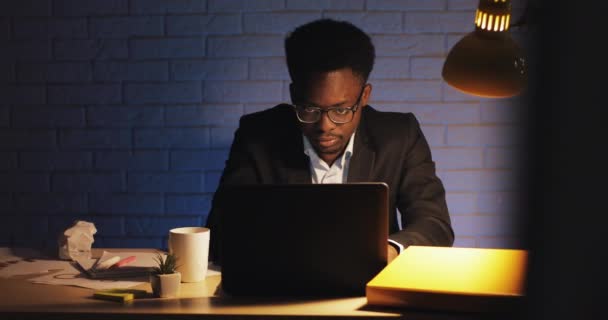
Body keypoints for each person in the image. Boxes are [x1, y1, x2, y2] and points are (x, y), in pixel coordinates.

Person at [205, 18, 454, 264]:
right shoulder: (257, 135)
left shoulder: (400, 135)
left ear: (364, 96)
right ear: (293, 95)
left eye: (341, 110)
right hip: (282, 290)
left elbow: (434, 224)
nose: (325, 126)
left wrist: (389, 251)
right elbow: (221, 231)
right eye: (310, 109)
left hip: (369, 287)